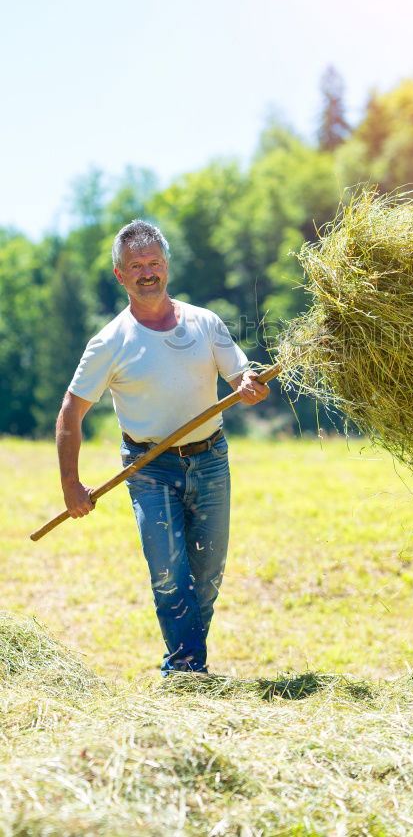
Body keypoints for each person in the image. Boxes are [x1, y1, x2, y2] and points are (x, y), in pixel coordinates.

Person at [57, 219, 269, 676]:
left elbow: (239, 376)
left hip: (210, 458)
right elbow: (70, 414)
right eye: (136, 266)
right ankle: (186, 671)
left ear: (166, 266)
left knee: (207, 573)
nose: (147, 272)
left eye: (154, 262)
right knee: (170, 575)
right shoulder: (109, 343)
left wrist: (248, 385)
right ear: (120, 275)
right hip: (148, 467)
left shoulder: (205, 323)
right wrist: (70, 483)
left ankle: (188, 661)